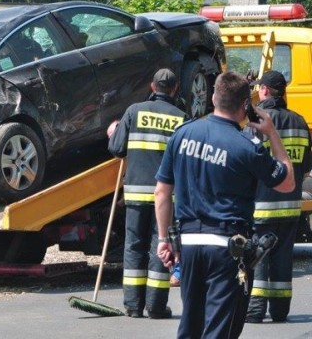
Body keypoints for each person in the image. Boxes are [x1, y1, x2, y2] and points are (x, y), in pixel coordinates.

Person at [154, 70, 295, 339]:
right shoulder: (247, 146)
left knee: (191, 325)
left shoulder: (182, 135)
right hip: (226, 248)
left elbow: (162, 192)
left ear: (214, 98)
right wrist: (272, 133)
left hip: (189, 245)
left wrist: (163, 239)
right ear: (245, 105)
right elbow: (286, 182)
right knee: (220, 328)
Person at [107, 68, 187, 319]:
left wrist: (114, 132)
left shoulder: (134, 111)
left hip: (135, 194)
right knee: (160, 246)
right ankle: (155, 306)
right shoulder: (182, 117)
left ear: (153, 87)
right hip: (166, 197)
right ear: (174, 89)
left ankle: (132, 305)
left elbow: (117, 149)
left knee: (133, 246)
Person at [245, 71, 312, 323]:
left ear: (263, 90)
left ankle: (255, 310)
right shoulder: (300, 121)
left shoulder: (258, 120)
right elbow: (305, 164)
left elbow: (246, 159)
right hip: (291, 205)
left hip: (262, 204)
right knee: (282, 257)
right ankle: (280, 311)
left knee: (259, 256)